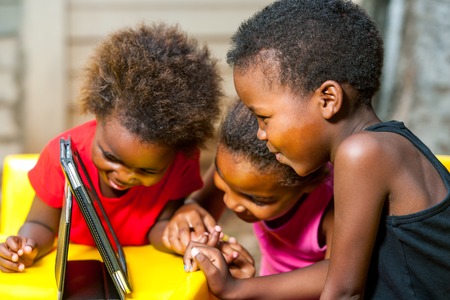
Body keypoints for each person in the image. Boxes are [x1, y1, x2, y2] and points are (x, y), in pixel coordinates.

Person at [186, 0, 450, 299]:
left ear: (327, 99)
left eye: (264, 117)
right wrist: (238, 288)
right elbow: (343, 272)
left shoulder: (362, 153)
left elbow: (343, 293)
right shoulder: (386, 144)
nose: (260, 133)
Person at [0, 22, 223, 273]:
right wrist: (26, 248)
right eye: (110, 156)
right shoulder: (61, 156)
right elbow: (42, 225)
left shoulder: (181, 161)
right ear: (99, 111)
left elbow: (159, 226)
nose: (124, 175)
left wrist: (178, 239)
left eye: (147, 171)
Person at [180, 99, 334, 298]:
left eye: (257, 199)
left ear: (308, 185)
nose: (231, 202)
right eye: (223, 182)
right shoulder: (235, 169)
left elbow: (337, 274)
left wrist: (238, 288)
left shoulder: (334, 201)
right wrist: (189, 218)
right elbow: (200, 210)